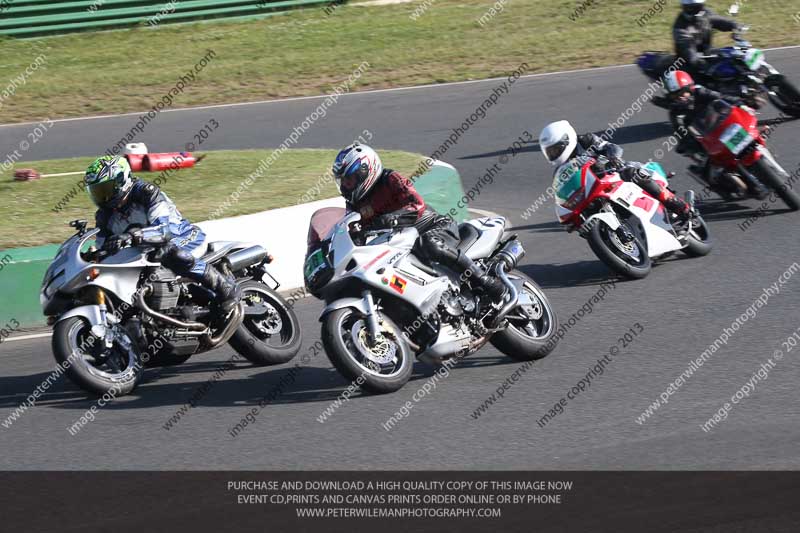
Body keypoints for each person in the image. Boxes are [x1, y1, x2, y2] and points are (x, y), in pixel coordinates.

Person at [332, 142, 506, 301]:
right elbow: (354, 228)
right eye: (343, 182)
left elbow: (417, 205)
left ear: (364, 171)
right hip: (403, 245)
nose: (346, 186)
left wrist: (391, 218)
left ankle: (484, 280)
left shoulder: (390, 179)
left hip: (434, 226)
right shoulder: (354, 203)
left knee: (430, 244)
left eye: (349, 180)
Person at [84, 156, 239, 315]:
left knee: (169, 252)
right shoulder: (104, 215)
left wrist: (131, 236)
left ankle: (226, 289)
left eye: (105, 190)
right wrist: (94, 254)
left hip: (183, 236)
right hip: (146, 249)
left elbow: (164, 231)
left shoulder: (146, 192)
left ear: (121, 181)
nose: (102, 197)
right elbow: (104, 246)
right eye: (96, 192)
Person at [539, 121, 695, 221]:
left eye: (556, 149)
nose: (554, 154)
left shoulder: (585, 141)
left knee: (633, 173)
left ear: (567, 140)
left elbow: (612, 147)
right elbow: (561, 191)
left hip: (612, 172)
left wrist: (613, 158)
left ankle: (678, 205)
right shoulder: (560, 170)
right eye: (550, 152)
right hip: (591, 191)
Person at [663, 70, 768, 198]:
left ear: (689, 87)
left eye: (681, 92)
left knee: (750, 135)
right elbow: (680, 133)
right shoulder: (675, 113)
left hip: (725, 127)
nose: (680, 97)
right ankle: (721, 185)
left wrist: (740, 104)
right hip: (706, 141)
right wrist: (686, 145)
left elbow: (722, 97)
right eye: (675, 96)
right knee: (708, 167)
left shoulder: (700, 92)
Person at [673, 0, 740, 80]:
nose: (702, 8)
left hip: (708, 54)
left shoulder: (704, 13)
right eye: (698, 6)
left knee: (732, 57)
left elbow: (719, 21)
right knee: (710, 87)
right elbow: (689, 52)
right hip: (689, 66)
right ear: (689, 8)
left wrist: (734, 25)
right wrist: (703, 65)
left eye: (701, 6)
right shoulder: (680, 28)